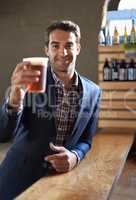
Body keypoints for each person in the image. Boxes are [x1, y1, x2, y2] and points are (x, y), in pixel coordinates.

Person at [0, 20, 101, 199]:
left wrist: (75, 156)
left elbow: (87, 140)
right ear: (46, 50)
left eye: (69, 45)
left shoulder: (93, 91)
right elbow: (4, 134)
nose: (62, 52)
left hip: (60, 182)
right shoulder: (29, 81)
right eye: (55, 46)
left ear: (78, 48)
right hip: (18, 179)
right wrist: (15, 97)